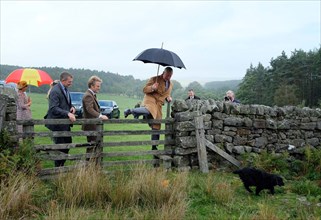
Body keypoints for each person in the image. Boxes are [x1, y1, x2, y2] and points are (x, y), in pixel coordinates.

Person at [124, 67, 173, 151]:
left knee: (157, 125)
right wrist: (152, 87)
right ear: (163, 73)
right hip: (150, 100)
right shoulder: (154, 79)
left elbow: (165, 94)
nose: (168, 77)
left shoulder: (171, 85)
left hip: (158, 105)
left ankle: (154, 146)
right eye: (167, 75)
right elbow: (144, 89)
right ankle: (130, 111)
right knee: (148, 110)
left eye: (170, 75)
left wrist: (168, 97)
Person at [45, 72, 76, 167]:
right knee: (60, 147)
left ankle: (61, 166)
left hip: (65, 124)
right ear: (63, 80)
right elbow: (53, 108)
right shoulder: (55, 91)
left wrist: (72, 107)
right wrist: (67, 113)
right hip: (57, 124)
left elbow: (66, 103)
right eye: (69, 81)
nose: (71, 83)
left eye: (71, 81)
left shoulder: (65, 89)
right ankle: (57, 169)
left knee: (67, 144)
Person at [82, 76, 108, 161]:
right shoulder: (88, 96)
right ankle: (88, 167)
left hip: (93, 126)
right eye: (98, 86)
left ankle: (92, 167)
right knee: (91, 147)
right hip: (91, 126)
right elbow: (89, 109)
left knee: (94, 146)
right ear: (92, 86)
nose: (99, 88)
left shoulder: (92, 95)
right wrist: (100, 116)